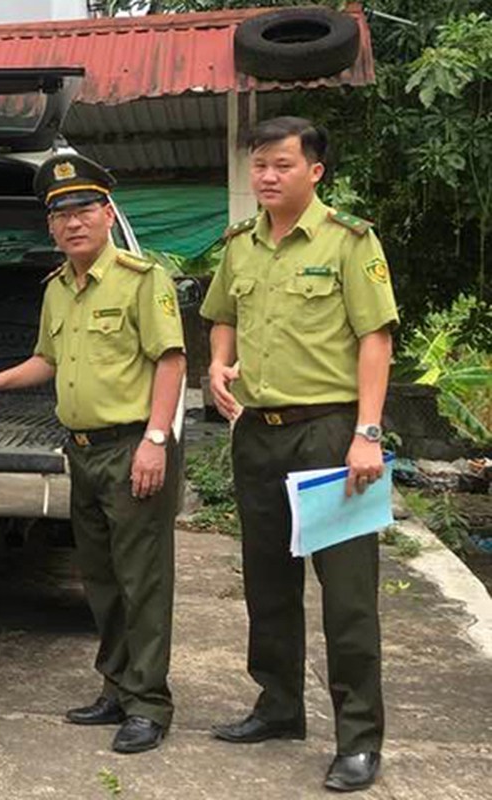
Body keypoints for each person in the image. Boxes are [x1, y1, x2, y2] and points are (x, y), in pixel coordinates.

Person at [0, 153, 186, 754]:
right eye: (60, 214)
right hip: (81, 453)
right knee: (102, 580)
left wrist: (156, 441)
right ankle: (115, 688)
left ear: (107, 213)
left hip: (134, 447)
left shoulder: (142, 280)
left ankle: (149, 703)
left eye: (84, 208)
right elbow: (49, 361)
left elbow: (171, 360)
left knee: (143, 581)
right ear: (50, 227)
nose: (72, 222)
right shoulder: (57, 289)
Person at [201, 116, 397, 793]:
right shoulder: (240, 246)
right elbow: (221, 313)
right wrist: (217, 365)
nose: (265, 176)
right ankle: (278, 706)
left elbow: (376, 338)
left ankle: (358, 739)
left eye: (280, 164)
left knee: (346, 597)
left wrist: (366, 433)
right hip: (258, 434)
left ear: (314, 171)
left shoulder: (348, 242)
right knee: (267, 584)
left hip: (330, 434)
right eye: (258, 164)